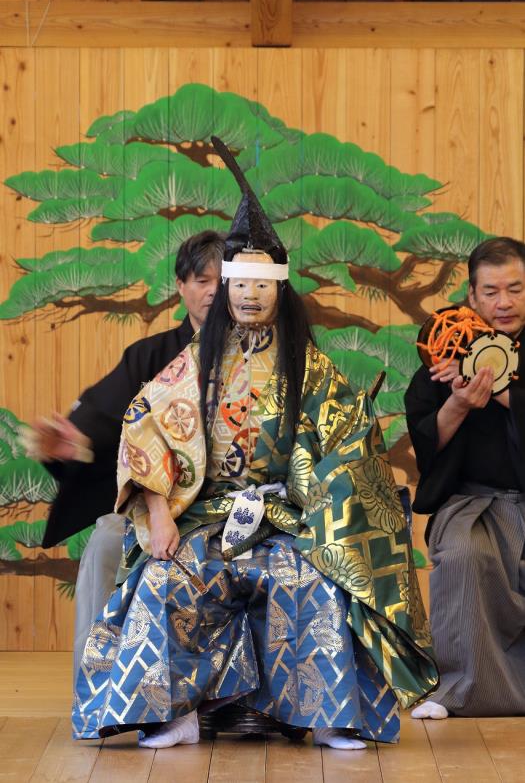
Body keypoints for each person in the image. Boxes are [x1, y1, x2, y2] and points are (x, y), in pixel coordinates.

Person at [72, 136, 437, 750]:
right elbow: (144, 423)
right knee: (166, 580)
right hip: (204, 517)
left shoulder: (311, 371)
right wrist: (159, 511)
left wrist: (316, 508)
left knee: (313, 580)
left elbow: (348, 441)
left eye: (261, 285)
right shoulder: (193, 364)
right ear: (225, 290)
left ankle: (328, 714)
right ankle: (173, 712)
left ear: (281, 290)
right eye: (238, 284)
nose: (247, 295)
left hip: (286, 518)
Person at [27, 231, 224, 676]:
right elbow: (100, 423)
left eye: (222, 280)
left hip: (238, 508)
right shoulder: (149, 357)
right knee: (106, 542)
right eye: (200, 279)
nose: (212, 290)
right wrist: (75, 447)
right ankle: (95, 684)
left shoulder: (263, 357)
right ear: (181, 285)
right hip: (152, 506)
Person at [405, 236, 525, 719]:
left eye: (515, 289)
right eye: (491, 291)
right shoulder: (446, 352)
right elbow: (425, 442)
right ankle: (458, 688)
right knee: (462, 553)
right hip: (471, 503)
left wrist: (495, 388)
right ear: (471, 298)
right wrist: (457, 401)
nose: (505, 302)